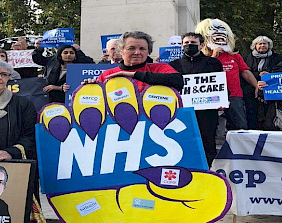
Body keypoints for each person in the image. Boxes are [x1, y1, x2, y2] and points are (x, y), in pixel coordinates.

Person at [169, 32, 223, 167]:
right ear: (181, 46)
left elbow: (219, 85)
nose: (189, 45)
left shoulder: (213, 63)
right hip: (183, 111)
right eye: (186, 43)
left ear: (202, 45)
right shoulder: (173, 65)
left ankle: (208, 169)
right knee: (184, 140)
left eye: (193, 43)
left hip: (207, 111)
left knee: (207, 141)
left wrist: (223, 99)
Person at [195, 18, 258, 130]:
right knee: (212, 129)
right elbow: (200, 73)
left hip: (234, 96)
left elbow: (245, 72)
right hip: (211, 97)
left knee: (240, 126)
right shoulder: (202, 58)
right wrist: (214, 56)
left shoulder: (235, 56)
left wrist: (256, 85)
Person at [93, 31, 184, 93]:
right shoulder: (108, 75)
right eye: (131, 48)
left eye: (142, 49)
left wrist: (135, 75)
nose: (137, 52)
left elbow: (178, 81)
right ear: (121, 51)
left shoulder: (160, 68)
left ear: (149, 51)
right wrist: (89, 87)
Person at [243, 36, 282, 129]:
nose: (262, 45)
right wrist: (258, 75)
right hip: (250, 89)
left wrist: (270, 74)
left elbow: (281, 71)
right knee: (251, 112)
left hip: (271, 89)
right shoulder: (246, 58)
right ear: (255, 46)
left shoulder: (277, 58)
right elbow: (243, 72)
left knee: (269, 112)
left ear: (269, 45)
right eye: (259, 43)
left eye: (264, 43)